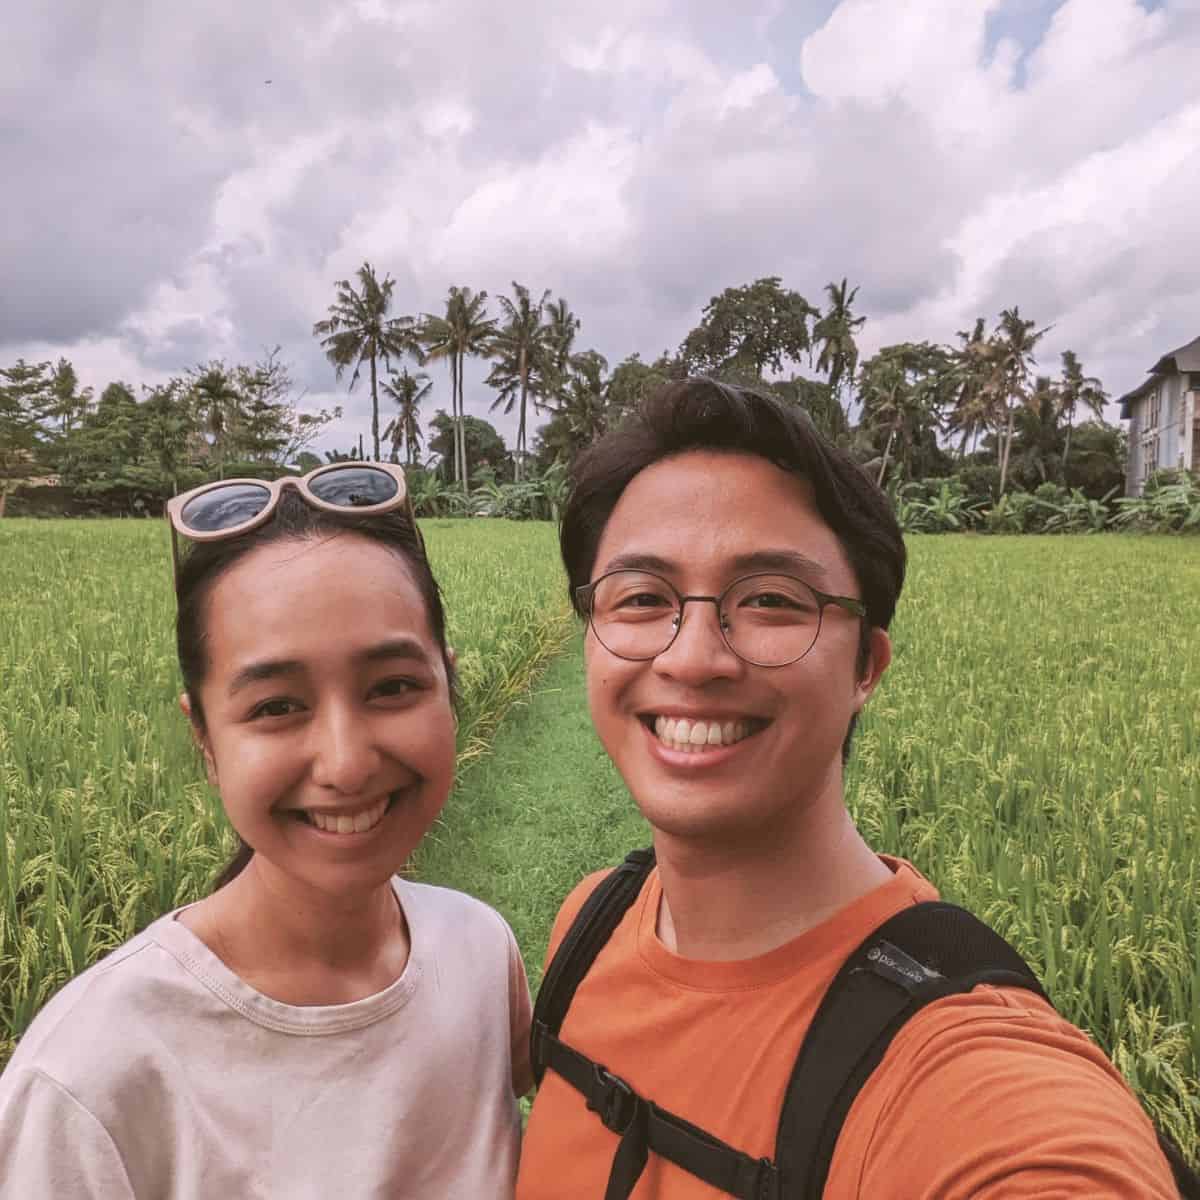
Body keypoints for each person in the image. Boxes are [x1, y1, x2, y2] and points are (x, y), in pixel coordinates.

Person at [515, 379, 1177, 1198]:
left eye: (768, 600)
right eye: (642, 598)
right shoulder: (592, 926)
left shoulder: (963, 1082)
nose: (692, 658)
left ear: (867, 665)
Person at [0, 464, 533, 1198]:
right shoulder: (88, 1081)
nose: (346, 765)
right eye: (277, 706)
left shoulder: (479, 951)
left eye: (393, 687)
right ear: (206, 741)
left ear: (448, 684)